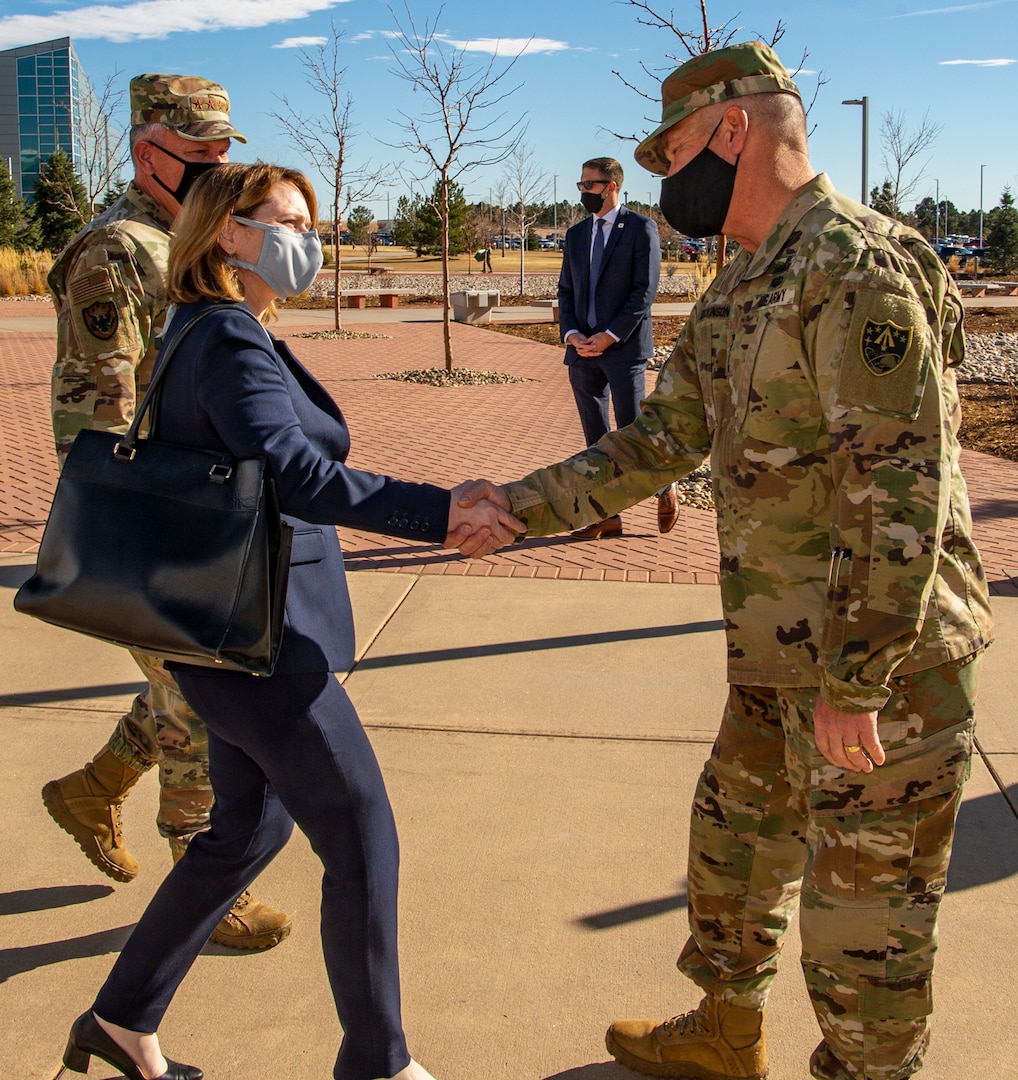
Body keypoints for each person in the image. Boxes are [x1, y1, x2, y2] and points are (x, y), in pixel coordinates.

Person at [461, 41, 994, 1080]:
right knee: (733, 850)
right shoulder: (747, 280)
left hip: (882, 670)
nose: (666, 181)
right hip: (778, 652)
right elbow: (656, 441)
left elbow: (902, 490)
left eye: (675, 153)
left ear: (734, 130)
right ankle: (727, 1032)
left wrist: (858, 681)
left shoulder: (854, 265)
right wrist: (508, 510)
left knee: (864, 933)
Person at [59, 160, 522, 1080]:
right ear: (231, 234)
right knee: (362, 834)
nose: (310, 239)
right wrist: (442, 513)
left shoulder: (212, 328)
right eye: (292, 221)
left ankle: (119, 1020)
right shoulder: (227, 338)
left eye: (313, 223)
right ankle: (379, 1062)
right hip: (261, 642)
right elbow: (296, 475)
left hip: (223, 636)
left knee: (249, 828)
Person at [44, 73, 291, 950]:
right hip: (157, 513)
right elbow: (99, 404)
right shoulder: (117, 250)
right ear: (149, 152)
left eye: (226, 149)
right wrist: (141, 529)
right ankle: (204, 873)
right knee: (202, 698)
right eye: (199, 153)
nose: (219, 164)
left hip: (210, 505)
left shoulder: (188, 237)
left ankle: (93, 788)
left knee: (191, 681)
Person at [558, 157, 677, 539]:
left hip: (623, 349)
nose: (582, 193)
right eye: (580, 186)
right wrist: (573, 334)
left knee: (633, 432)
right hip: (582, 352)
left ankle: (664, 485)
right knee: (595, 439)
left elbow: (644, 292)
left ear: (611, 186)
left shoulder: (641, 229)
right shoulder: (576, 235)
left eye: (588, 186)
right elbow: (567, 290)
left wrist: (610, 335)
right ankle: (605, 514)